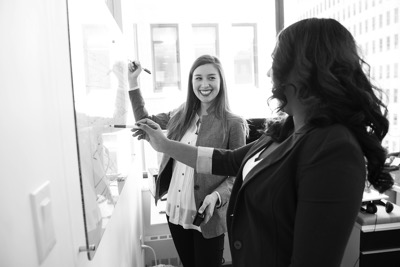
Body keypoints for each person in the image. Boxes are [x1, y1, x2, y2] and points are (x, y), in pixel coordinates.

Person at [132, 18, 394, 267]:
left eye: (275, 61)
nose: (270, 72)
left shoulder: (334, 148)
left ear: (305, 68)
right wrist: (165, 145)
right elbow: (229, 160)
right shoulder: (285, 129)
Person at [128, 55, 248, 267]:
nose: (204, 84)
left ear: (221, 81)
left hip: (207, 215)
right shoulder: (180, 114)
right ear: (191, 82)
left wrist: (216, 197)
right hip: (175, 209)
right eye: (198, 78)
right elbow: (144, 122)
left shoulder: (233, 123)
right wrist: (133, 82)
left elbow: (237, 174)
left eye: (211, 78)